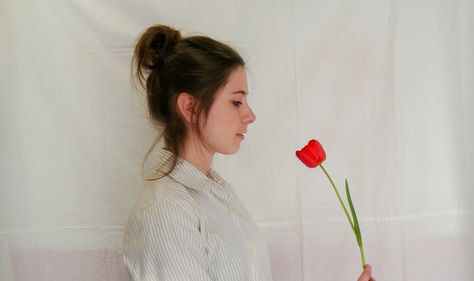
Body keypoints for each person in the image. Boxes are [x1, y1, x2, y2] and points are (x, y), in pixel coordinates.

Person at [122, 24, 375, 281]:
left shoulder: (217, 195)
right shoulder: (166, 212)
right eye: (236, 102)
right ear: (190, 107)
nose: (250, 115)